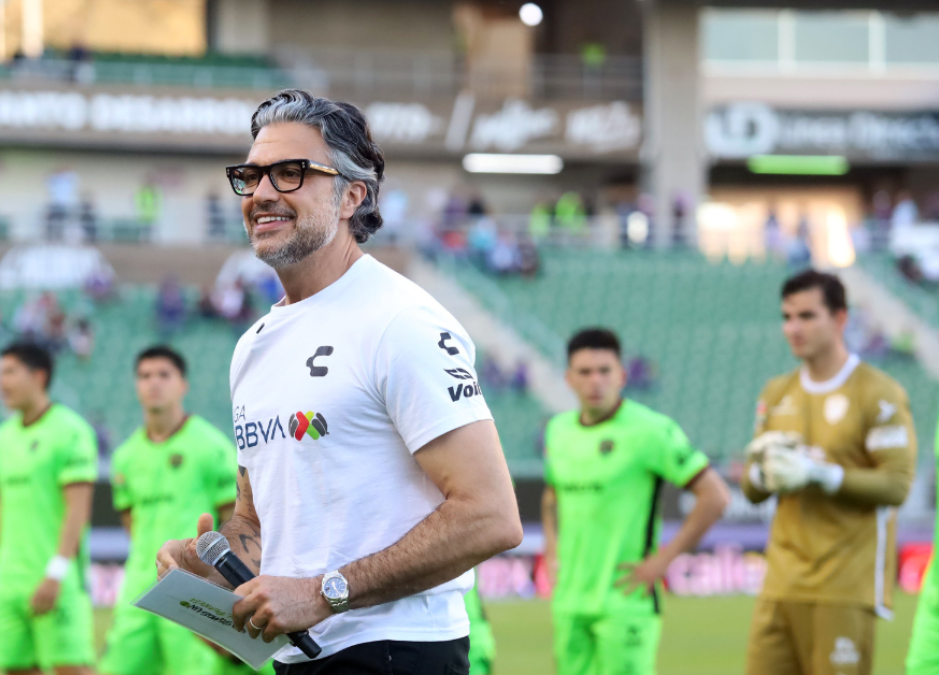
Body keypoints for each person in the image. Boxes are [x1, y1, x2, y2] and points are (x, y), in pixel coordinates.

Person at [156, 89, 523, 673]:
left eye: (291, 172)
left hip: (399, 652)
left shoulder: (401, 321)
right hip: (296, 657)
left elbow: (491, 515)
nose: (263, 193)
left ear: (353, 195)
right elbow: (256, 523)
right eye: (251, 177)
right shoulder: (252, 346)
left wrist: (322, 593)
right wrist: (218, 569)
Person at [742, 270, 917, 675]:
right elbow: (752, 490)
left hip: (845, 585)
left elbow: (895, 485)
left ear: (840, 318)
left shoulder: (878, 392)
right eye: (787, 317)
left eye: (807, 316)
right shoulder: (776, 393)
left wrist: (820, 474)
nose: (793, 328)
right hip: (780, 583)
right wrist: (765, 474)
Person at [542, 328, 729, 675]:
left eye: (604, 371)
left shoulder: (650, 431)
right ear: (569, 379)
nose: (595, 381)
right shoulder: (558, 431)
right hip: (568, 600)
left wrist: (664, 561)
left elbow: (715, 497)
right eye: (584, 372)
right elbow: (552, 495)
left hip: (625, 600)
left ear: (622, 376)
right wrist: (552, 549)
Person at [100, 345, 241, 675]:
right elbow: (130, 521)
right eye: (145, 376)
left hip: (190, 588)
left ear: (183, 385)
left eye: (164, 375)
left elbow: (233, 521)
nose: (153, 383)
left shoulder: (211, 446)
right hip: (137, 587)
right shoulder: (125, 456)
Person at [0, 343, 97, 675]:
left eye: (10, 372)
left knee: (71, 668)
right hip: (10, 581)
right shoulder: (5, 435)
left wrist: (55, 573)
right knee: (16, 669)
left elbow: (77, 510)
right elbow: (2, 505)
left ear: (39, 376)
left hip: (54, 578)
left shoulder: (70, 430)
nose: (1, 382)